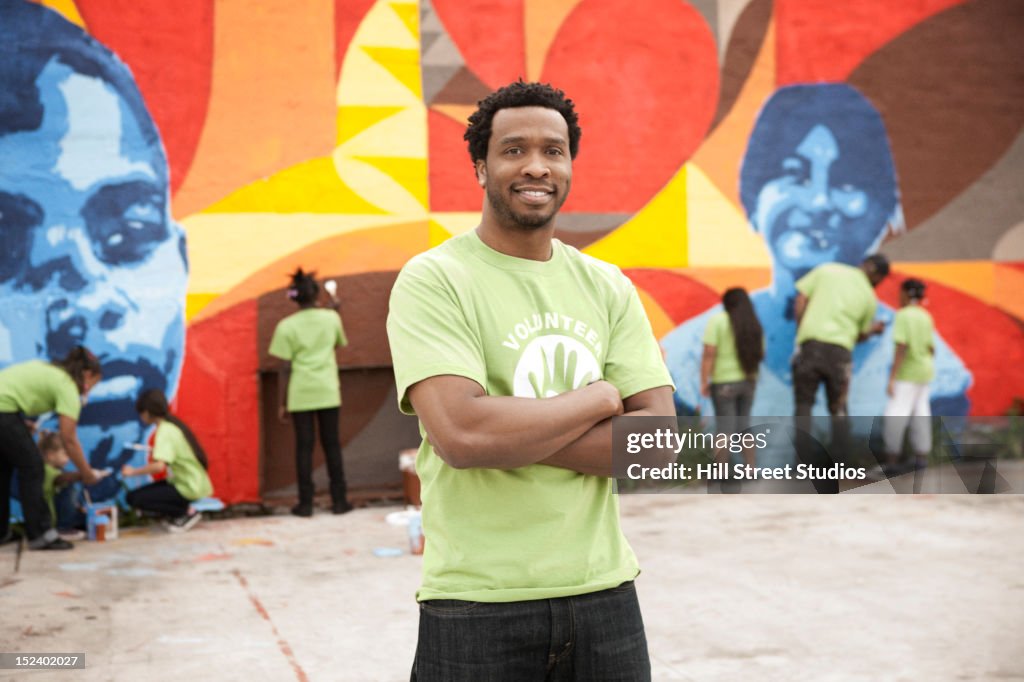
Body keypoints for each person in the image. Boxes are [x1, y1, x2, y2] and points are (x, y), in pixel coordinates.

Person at [387, 81, 675, 681]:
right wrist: (597, 400)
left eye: (554, 149)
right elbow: (462, 436)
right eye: (513, 150)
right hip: (475, 603)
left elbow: (655, 446)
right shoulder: (435, 279)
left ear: (570, 164)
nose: (536, 166)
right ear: (480, 166)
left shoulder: (606, 285)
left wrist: (507, 428)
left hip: (605, 595)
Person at [662, 84, 970, 417]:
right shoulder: (681, 358)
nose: (819, 201)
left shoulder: (944, 380)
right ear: (752, 197)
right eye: (794, 174)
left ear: (884, 207)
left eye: (847, 181)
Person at [0, 0, 189, 501]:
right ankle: (39, 532)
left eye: (128, 230)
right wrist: (86, 475)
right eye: (3, 242)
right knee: (23, 468)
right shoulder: (62, 387)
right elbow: (65, 436)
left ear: (181, 257)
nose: (83, 305)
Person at [791, 255, 890, 469]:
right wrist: (873, 330)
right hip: (839, 354)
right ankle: (840, 465)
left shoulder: (827, 270)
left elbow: (801, 299)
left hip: (811, 346)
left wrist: (802, 331)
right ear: (878, 276)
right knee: (839, 409)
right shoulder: (869, 297)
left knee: (803, 406)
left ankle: (800, 463)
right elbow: (859, 335)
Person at [0, 346, 105, 549]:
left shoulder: (51, 372)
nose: (91, 389)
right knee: (32, 468)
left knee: (3, 470)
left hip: (5, 409)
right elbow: (69, 439)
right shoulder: (67, 386)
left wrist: (19, 424)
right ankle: (41, 535)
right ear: (87, 374)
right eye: (94, 383)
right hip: (4, 409)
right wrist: (86, 472)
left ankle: (1, 533)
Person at [268, 268, 351, 517]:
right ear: (316, 293)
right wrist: (333, 311)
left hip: (300, 392)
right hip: (327, 390)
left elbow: (285, 367)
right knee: (332, 445)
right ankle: (340, 501)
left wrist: (281, 402)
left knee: (304, 448)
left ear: (294, 297)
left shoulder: (285, 326)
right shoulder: (332, 318)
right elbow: (336, 343)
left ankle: (305, 504)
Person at [121, 389, 211, 532]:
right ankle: (185, 511)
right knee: (136, 496)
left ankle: (184, 513)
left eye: (141, 412)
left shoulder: (164, 431)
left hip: (188, 486)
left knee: (135, 499)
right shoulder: (172, 426)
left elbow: (159, 467)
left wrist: (132, 472)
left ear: (146, 412)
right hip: (191, 482)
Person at [700, 288, 763, 467]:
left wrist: (704, 380)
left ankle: (720, 471)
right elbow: (760, 353)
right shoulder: (753, 324)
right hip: (748, 381)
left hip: (723, 383)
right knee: (745, 426)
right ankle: (750, 470)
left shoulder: (718, 321)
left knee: (725, 428)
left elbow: (709, 353)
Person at [880, 279, 935, 474]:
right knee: (921, 413)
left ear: (905, 294)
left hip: (908, 372)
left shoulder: (903, 315)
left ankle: (891, 460)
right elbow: (931, 347)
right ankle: (921, 459)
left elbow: (901, 346)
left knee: (894, 414)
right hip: (925, 371)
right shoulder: (925, 316)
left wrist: (892, 378)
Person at [38, 430, 86, 539]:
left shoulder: (59, 469)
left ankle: (73, 524)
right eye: (65, 454)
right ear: (50, 455)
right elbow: (60, 479)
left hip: (59, 513)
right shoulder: (45, 470)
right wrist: (84, 474)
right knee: (69, 486)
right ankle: (63, 528)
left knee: (88, 518)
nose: (68, 459)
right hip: (50, 518)